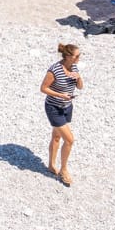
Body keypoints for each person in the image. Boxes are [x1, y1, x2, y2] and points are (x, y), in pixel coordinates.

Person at [41, 43, 83, 187]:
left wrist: (78, 77)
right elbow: (43, 88)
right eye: (77, 55)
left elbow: (80, 87)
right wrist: (61, 95)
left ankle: (52, 165)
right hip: (54, 107)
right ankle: (64, 170)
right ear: (68, 56)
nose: (79, 58)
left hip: (67, 107)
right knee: (70, 140)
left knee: (57, 136)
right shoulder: (54, 70)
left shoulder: (74, 68)